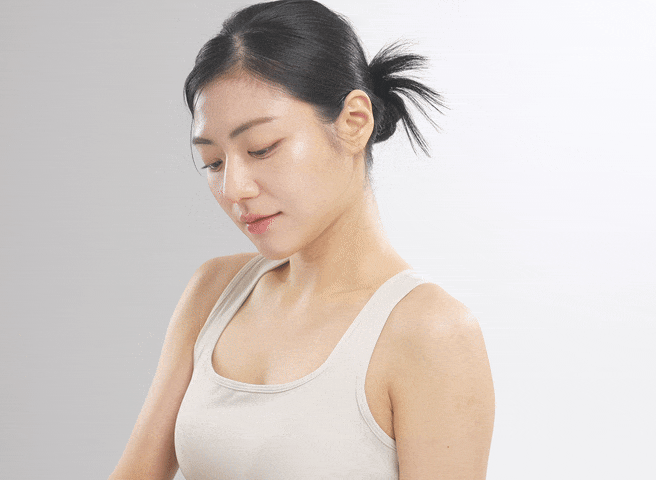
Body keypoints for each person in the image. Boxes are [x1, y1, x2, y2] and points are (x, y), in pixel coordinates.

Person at [109, 1, 494, 478]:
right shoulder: (215, 291)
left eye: (261, 149)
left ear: (355, 122)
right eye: (213, 162)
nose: (233, 188)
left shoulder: (431, 331)